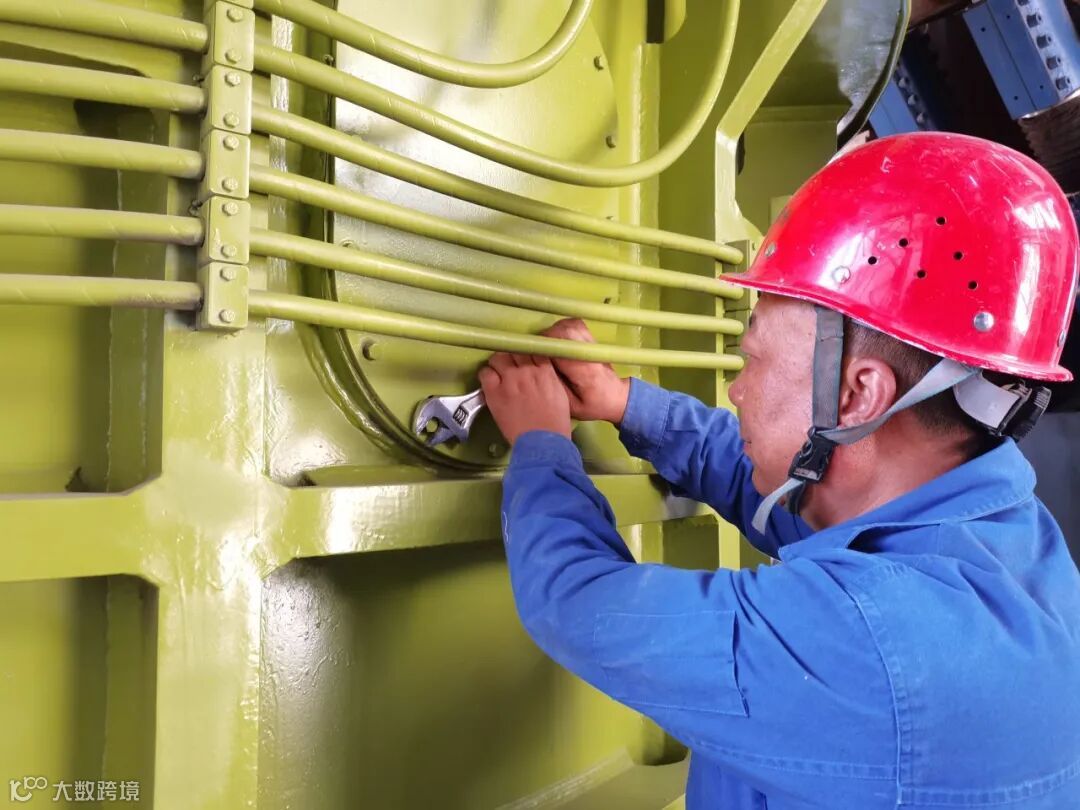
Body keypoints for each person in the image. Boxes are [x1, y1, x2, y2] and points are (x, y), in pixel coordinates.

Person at [478, 133, 1080, 809]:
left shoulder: (873, 646)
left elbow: (579, 603)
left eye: (754, 357)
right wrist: (624, 404)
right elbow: (794, 492)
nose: (737, 390)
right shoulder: (993, 543)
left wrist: (542, 441)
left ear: (858, 394)